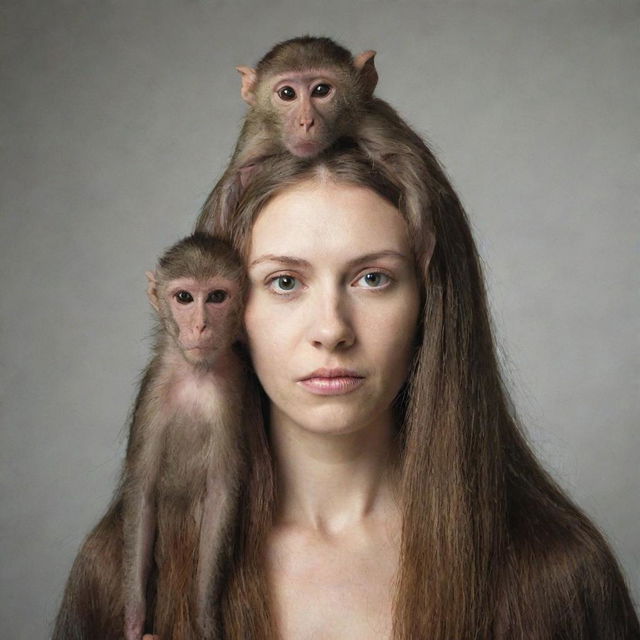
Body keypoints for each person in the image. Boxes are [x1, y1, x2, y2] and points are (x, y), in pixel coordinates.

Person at [62, 140, 638, 639]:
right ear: (233, 306)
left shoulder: (556, 570)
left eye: (373, 278)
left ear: (430, 301)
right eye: (284, 282)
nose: (332, 329)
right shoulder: (125, 576)